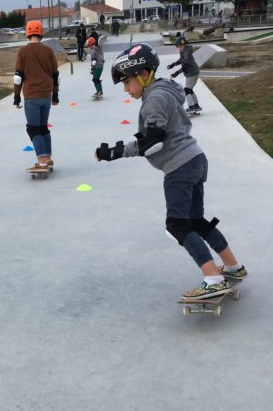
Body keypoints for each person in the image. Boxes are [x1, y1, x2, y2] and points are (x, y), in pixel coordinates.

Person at [95, 43, 247, 300]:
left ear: (144, 75)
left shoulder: (153, 99)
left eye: (127, 82)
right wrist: (120, 150)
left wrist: (116, 152)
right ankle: (233, 266)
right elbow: (155, 137)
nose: (126, 89)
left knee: (177, 224)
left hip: (179, 168)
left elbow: (153, 142)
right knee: (196, 220)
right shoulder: (166, 91)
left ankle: (213, 278)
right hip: (196, 159)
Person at [13, 20, 60, 174]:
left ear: (28, 33)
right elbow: (55, 75)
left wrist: (16, 97)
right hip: (46, 95)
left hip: (31, 96)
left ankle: (41, 162)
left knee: (33, 129)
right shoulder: (48, 51)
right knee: (43, 127)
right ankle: (47, 157)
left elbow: (18, 77)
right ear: (41, 34)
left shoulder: (23, 52)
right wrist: (55, 96)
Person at [167, 36, 202, 114]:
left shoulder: (187, 51)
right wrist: (173, 65)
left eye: (180, 47)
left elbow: (185, 64)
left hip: (192, 72)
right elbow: (181, 60)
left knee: (187, 89)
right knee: (189, 90)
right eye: (178, 47)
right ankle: (196, 106)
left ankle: (191, 107)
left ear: (184, 45)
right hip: (191, 72)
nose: (179, 49)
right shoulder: (183, 50)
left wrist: (176, 73)